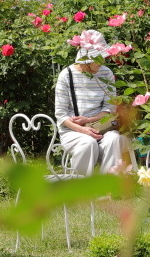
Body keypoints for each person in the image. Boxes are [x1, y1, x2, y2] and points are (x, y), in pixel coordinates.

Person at [54, 30, 135, 176]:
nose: (102, 61)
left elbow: (110, 107)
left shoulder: (106, 73)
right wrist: (82, 129)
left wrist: (90, 120)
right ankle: (81, 189)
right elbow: (61, 114)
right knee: (88, 143)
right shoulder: (67, 75)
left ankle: (108, 188)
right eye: (98, 58)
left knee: (114, 139)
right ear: (86, 59)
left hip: (100, 127)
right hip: (73, 131)